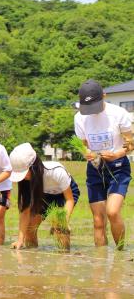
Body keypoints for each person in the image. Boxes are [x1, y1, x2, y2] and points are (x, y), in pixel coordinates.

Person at [74, 79, 133, 249]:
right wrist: (87, 153)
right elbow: (83, 144)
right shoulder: (79, 117)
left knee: (113, 212)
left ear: (104, 96)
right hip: (95, 168)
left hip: (118, 167)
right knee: (98, 221)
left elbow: (131, 143)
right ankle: (100, 264)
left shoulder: (119, 113)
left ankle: (120, 255)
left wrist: (117, 154)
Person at [8, 143, 80, 249]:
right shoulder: (26, 181)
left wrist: (64, 221)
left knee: (59, 227)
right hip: (44, 193)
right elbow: (25, 210)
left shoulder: (56, 172)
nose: (22, 178)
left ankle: (64, 258)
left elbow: (69, 199)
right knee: (30, 227)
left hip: (64, 195)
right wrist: (20, 240)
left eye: (24, 173)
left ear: (34, 167)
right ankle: (32, 258)